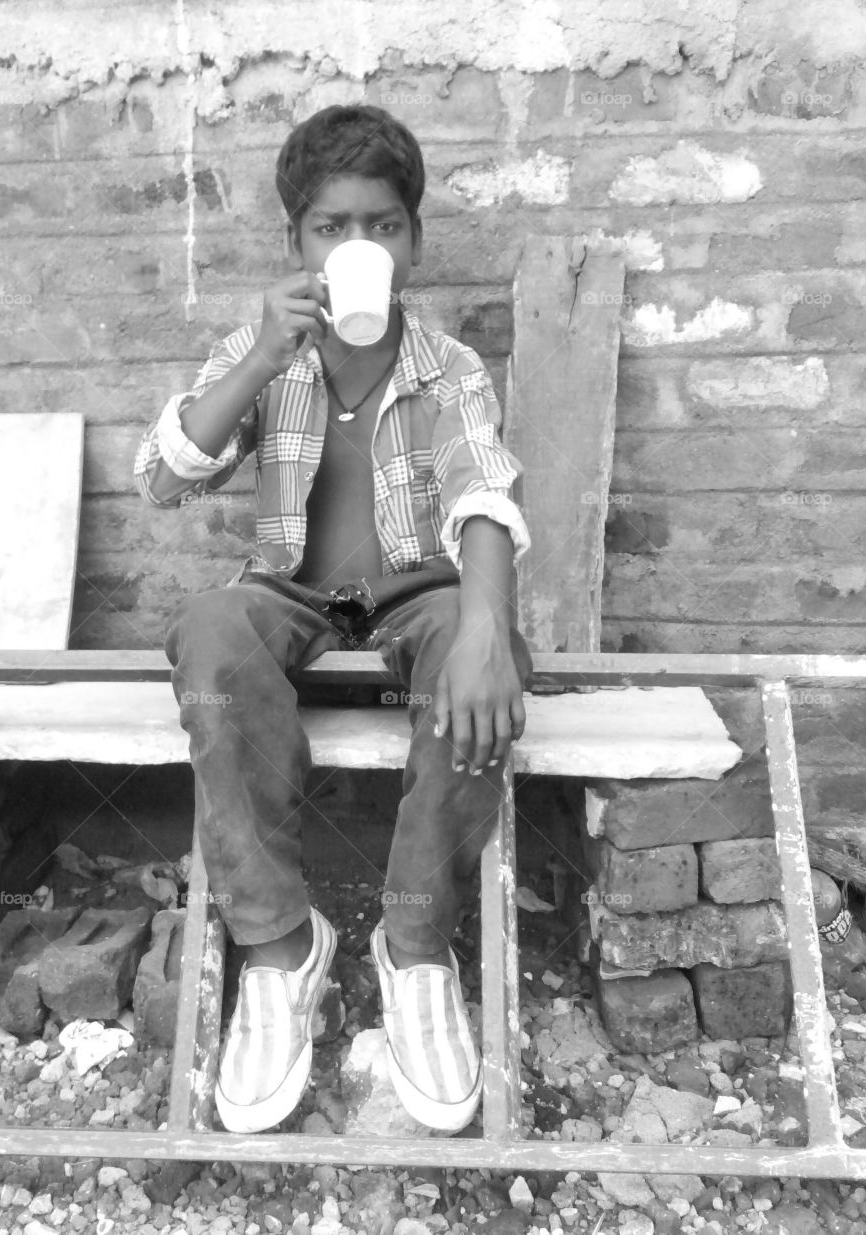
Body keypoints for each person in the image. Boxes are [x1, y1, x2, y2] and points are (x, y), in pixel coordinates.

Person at [133, 103, 532, 1135]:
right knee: (211, 632)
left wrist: (488, 625)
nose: (360, 246)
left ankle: (416, 946)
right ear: (295, 241)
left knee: (477, 637)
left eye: (384, 225)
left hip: (412, 584)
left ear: (415, 240)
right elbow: (161, 479)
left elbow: (483, 485)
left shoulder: (450, 367)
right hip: (293, 588)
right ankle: (278, 948)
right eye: (331, 226)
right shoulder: (264, 349)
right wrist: (262, 357)